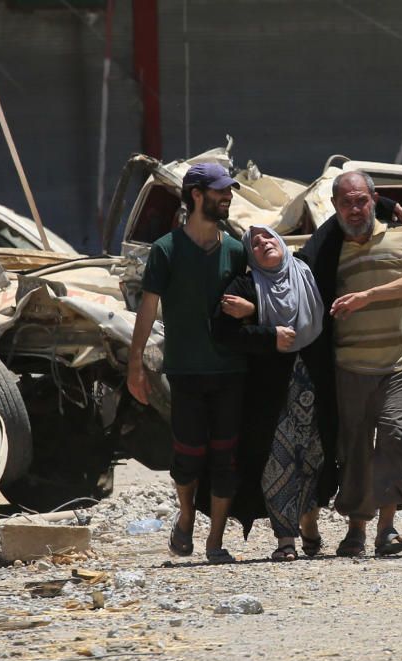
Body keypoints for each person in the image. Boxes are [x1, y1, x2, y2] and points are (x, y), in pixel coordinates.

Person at [300, 170, 402, 557]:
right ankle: (356, 527)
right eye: (346, 203)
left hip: (401, 364)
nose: (355, 210)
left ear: (374, 199)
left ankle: (386, 529)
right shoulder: (330, 250)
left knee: (395, 437)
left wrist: (369, 296)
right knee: (353, 449)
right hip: (350, 368)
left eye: (362, 201)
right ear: (336, 207)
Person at [126, 162, 247, 565]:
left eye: (228, 191)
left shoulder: (235, 249)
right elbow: (147, 308)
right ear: (196, 195)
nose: (227, 197)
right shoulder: (166, 250)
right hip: (186, 370)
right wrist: (135, 365)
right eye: (219, 191)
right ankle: (185, 515)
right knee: (188, 456)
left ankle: (215, 541)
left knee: (226, 457)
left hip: (230, 370)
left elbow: (261, 297)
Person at [212, 225, 326, 561]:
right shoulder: (246, 286)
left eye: (268, 238)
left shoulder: (306, 271)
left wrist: (386, 203)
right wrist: (267, 334)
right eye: (255, 243)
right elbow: (221, 331)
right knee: (278, 463)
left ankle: (309, 523)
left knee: (314, 461)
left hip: (317, 389)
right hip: (271, 397)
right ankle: (285, 539)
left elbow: (333, 228)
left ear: (281, 242)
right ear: (250, 255)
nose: (263, 243)